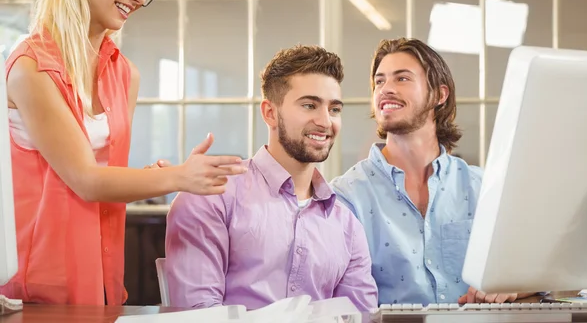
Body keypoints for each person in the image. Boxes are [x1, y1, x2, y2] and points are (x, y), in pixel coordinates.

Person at [0, 0, 245, 306]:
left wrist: (150, 178)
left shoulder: (124, 73)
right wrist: (177, 176)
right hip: (37, 286)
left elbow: (101, 176)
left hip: (101, 277)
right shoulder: (31, 67)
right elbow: (85, 179)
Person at [164, 45, 378, 311]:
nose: (325, 121)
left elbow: (358, 317)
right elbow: (198, 314)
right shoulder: (211, 196)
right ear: (270, 113)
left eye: (334, 109)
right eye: (310, 105)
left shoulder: (347, 226)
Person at [330, 38, 535, 305]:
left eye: (402, 79)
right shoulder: (346, 197)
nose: (386, 89)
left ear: (440, 95)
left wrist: (513, 288)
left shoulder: (483, 187)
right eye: (379, 81)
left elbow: (535, 272)